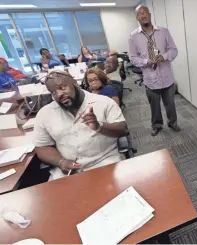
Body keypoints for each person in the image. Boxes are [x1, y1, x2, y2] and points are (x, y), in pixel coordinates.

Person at [33, 70, 128, 181]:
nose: (59, 94)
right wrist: (61, 162)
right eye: (53, 92)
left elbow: (123, 129)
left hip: (105, 162)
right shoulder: (45, 114)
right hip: (68, 170)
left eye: (62, 87)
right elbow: (42, 147)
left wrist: (99, 126)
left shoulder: (104, 102)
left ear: (75, 83)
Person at [129, 5, 180, 136]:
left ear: (150, 15)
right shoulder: (133, 36)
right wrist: (147, 61)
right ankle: (157, 125)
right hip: (150, 79)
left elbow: (173, 50)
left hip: (166, 77)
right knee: (154, 106)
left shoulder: (164, 31)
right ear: (137, 17)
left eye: (145, 12)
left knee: (170, 104)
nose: (143, 15)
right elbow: (133, 58)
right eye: (140, 13)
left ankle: (173, 123)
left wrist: (163, 56)